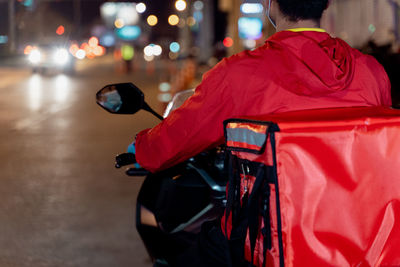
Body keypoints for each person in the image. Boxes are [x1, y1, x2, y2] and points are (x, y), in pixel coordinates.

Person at [131, 0, 391, 265]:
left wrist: (140, 148)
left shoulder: (238, 73)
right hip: (360, 236)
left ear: (270, 5)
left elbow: (170, 142)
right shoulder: (371, 72)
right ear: (326, 4)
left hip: (265, 238)